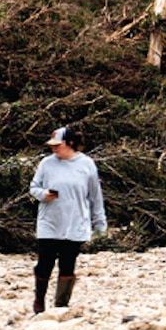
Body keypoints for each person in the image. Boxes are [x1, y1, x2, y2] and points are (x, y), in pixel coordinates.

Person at [28, 126, 107, 313]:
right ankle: (39, 300)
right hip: (49, 222)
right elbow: (33, 188)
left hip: (75, 223)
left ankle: (61, 305)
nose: (53, 148)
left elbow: (95, 196)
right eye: (52, 145)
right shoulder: (46, 164)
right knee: (44, 263)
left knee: (67, 264)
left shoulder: (86, 164)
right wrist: (43, 194)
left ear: (70, 143)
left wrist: (100, 223)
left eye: (58, 145)